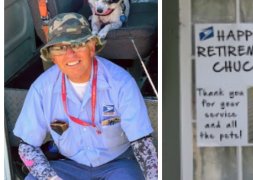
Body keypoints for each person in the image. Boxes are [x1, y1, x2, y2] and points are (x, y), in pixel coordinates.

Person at [13, 12, 158, 180]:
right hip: (68, 164)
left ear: (91, 47)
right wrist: (51, 178)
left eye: (78, 44)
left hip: (118, 164)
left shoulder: (121, 82)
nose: (70, 54)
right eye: (60, 48)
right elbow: (27, 147)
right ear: (52, 56)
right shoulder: (41, 89)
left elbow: (142, 143)